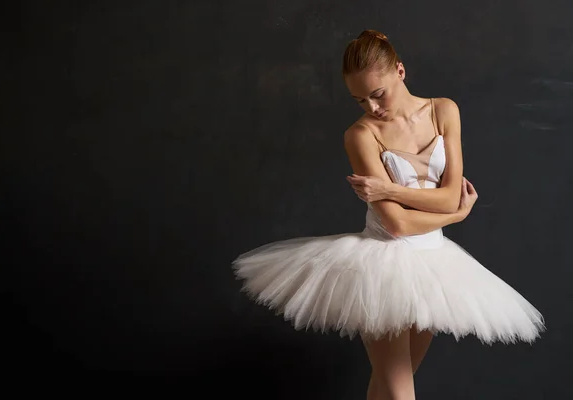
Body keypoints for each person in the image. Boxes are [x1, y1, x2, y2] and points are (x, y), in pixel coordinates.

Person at [232, 30, 544, 400]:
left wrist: (392, 191)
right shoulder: (360, 135)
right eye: (359, 100)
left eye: (377, 94)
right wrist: (456, 216)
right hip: (381, 267)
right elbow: (397, 224)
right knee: (399, 392)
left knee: (389, 383)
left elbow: (448, 196)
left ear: (400, 70)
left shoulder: (444, 110)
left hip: (434, 264)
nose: (372, 107)